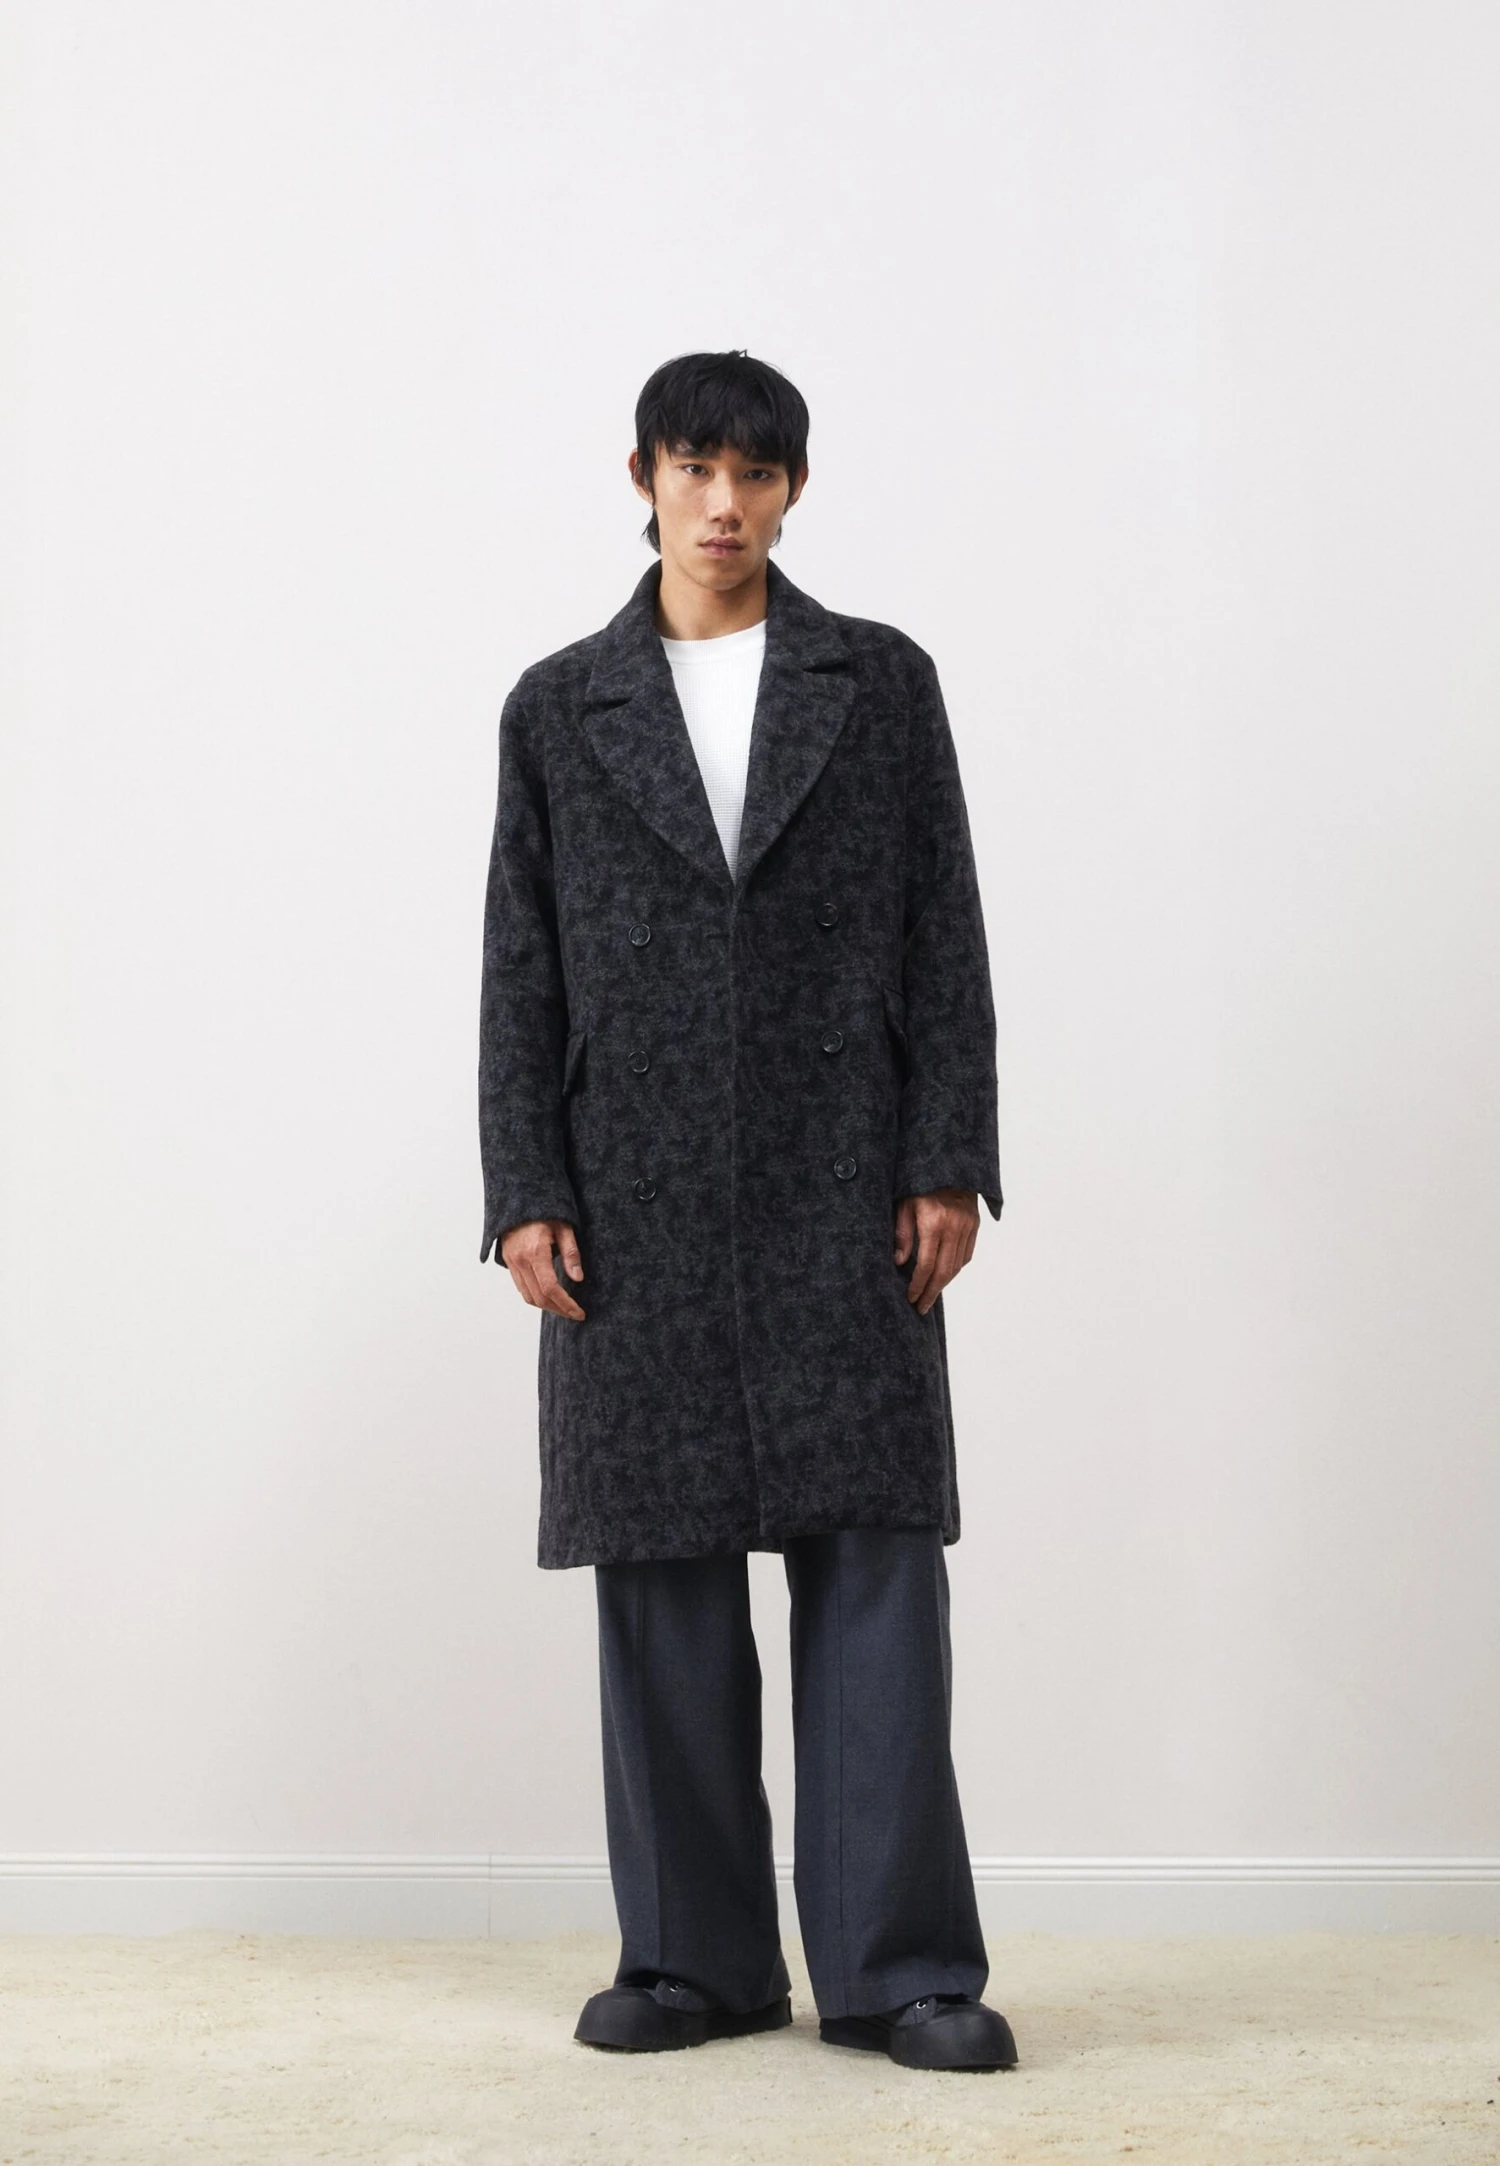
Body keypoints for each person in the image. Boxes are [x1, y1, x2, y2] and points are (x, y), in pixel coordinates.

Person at [478, 350, 1017, 2073]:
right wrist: (523, 1188)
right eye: (696, 467)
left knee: (875, 1567)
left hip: (843, 1182)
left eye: (756, 473)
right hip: (625, 1196)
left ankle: (899, 1967)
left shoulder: (882, 682)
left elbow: (945, 928)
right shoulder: (560, 707)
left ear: (793, 488)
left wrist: (946, 1152)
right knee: (661, 1579)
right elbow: (520, 967)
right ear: (642, 474)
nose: (725, 502)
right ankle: (693, 1960)